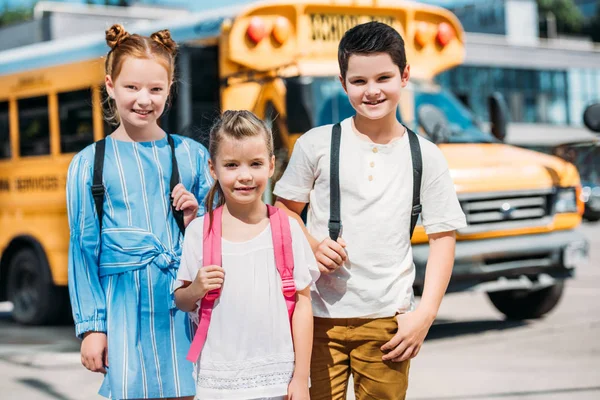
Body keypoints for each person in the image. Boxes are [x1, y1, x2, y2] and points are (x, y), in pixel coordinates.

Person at [273, 22, 467, 399]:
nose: (372, 90)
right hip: (314, 318)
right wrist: (312, 245)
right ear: (342, 82)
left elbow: (444, 237)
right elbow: (283, 212)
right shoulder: (316, 144)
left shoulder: (426, 155)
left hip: (388, 320)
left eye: (384, 77)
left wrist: (424, 316)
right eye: (359, 81)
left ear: (405, 75)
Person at [66, 24, 212, 399]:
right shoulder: (88, 164)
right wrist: (92, 327)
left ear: (169, 89)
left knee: (190, 389)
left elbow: (225, 233)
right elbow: (83, 251)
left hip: (184, 305)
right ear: (110, 86)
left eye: (155, 89)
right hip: (123, 309)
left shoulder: (192, 156)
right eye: (132, 87)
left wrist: (196, 217)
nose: (144, 99)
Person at [174, 110, 319, 400]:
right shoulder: (200, 232)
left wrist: (301, 379)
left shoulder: (288, 229)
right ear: (213, 169)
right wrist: (197, 288)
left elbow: (303, 306)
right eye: (231, 165)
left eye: (255, 164)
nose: (244, 176)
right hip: (218, 383)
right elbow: (181, 299)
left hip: (278, 383)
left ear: (271, 166)